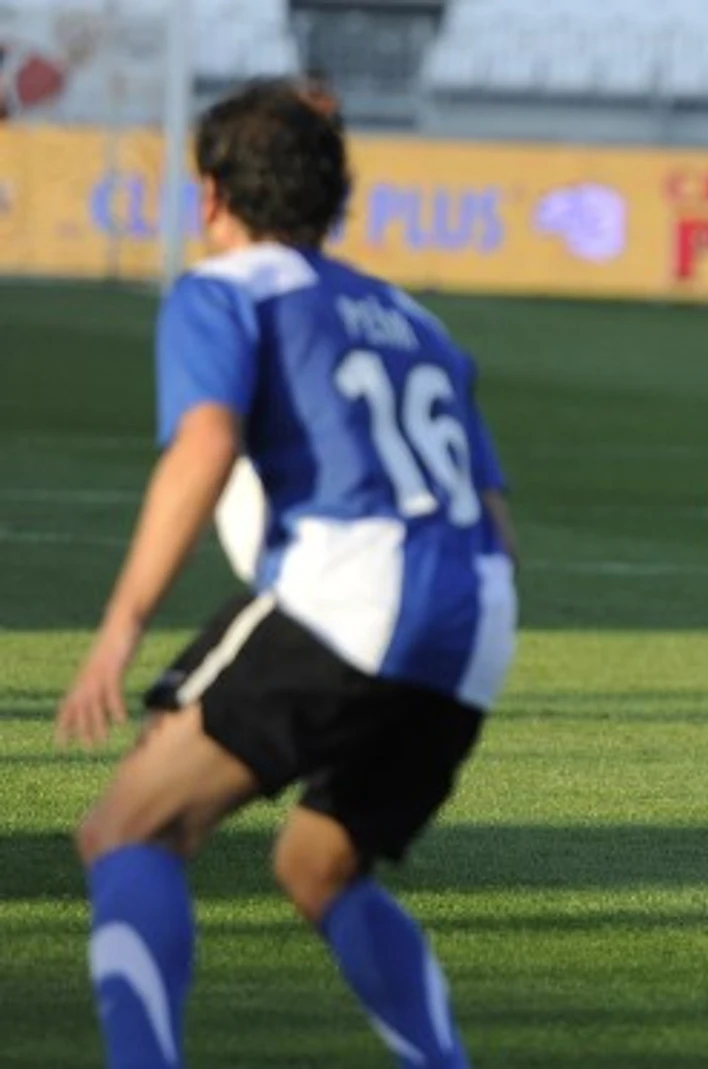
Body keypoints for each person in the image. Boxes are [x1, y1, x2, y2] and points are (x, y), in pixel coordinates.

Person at [54, 80, 517, 1068]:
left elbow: (205, 444)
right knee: (318, 864)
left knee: (124, 831)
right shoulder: (413, 318)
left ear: (212, 194)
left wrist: (119, 627)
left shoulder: (223, 290)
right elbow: (495, 518)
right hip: (475, 616)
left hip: (350, 593)